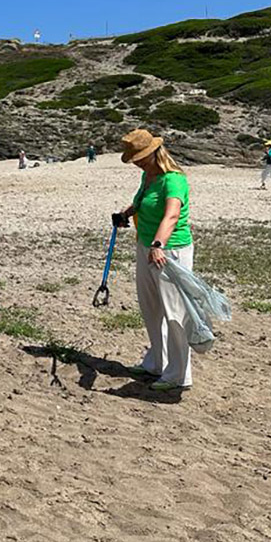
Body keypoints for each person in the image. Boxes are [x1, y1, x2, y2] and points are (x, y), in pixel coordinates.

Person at [112, 129, 195, 392]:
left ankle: (179, 375)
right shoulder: (147, 176)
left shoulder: (174, 180)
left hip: (170, 251)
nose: (135, 161)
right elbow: (141, 203)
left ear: (153, 153)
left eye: (139, 156)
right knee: (151, 308)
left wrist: (159, 244)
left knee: (174, 312)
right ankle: (157, 363)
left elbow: (171, 215)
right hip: (146, 246)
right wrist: (126, 213)